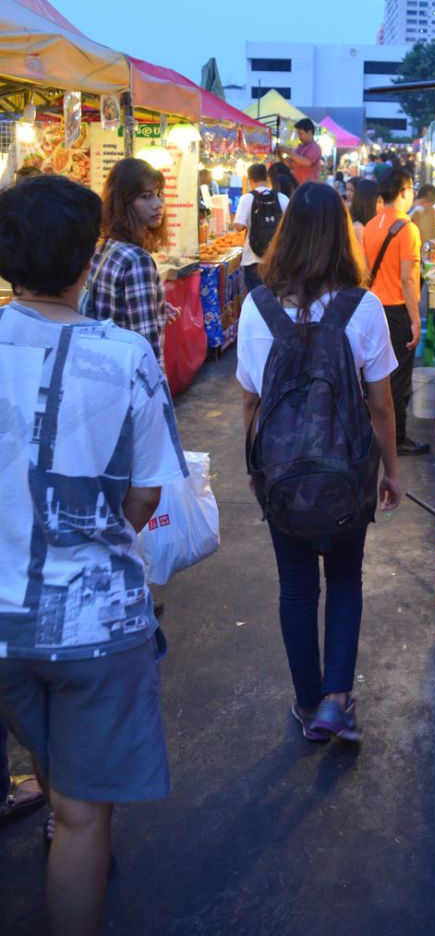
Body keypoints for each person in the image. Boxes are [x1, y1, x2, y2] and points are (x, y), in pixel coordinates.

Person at [0, 174, 186, 936]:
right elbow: (145, 493)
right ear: (87, 261)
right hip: (97, 622)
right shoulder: (125, 355)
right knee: (81, 816)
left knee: (48, 755)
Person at [236, 182, 401, 742]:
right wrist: (391, 472)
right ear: (341, 236)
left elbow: (251, 401)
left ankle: (308, 704)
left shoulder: (257, 308)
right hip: (348, 473)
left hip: (281, 476)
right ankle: (337, 699)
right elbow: (381, 405)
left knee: (297, 586)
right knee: (346, 578)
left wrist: (256, 468)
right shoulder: (364, 306)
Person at [82, 157, 179, 367]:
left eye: (159, 194)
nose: (157, 204)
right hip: (130, 372)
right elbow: (147, 346)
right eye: (146, 196)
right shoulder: (137, 261)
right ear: (122, 202)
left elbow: (113, 314)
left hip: (104, 364)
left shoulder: (105, 249)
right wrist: (158, 385)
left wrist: (156, 311)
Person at [362, 169, 430, 456]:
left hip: (372, 310)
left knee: (374, 376)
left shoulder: (370, 225)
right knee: (398, 378)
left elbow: (366, 272)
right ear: (404, 191)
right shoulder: (407, 229)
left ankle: (372, 433)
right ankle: (397, 437)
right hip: (396, 312)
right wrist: (415, 320)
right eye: (411, 189)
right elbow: (408, 279)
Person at [234, 163, 290, 295]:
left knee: (257, 297)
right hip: (277, 257)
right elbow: (291, 227)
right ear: (267, 178)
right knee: (276, 295)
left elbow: (238, 226)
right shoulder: (282, 198)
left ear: (250, 181)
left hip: (253, 258)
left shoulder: (246, 198)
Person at [282, 118, 322, 184]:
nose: (299, 137)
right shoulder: (300, 147)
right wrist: (281, 155)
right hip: (299, 184)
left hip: (310, 186)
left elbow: (307, 162)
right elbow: (291, 165)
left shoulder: (315, 147)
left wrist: (289, 152)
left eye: (300, 134)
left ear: (309, 132)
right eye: (298, 134)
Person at [349, 177, 382, 245]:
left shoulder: (363, 224)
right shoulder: (358, 228)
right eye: (379, 201)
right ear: (367, 202)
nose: (383, 206)